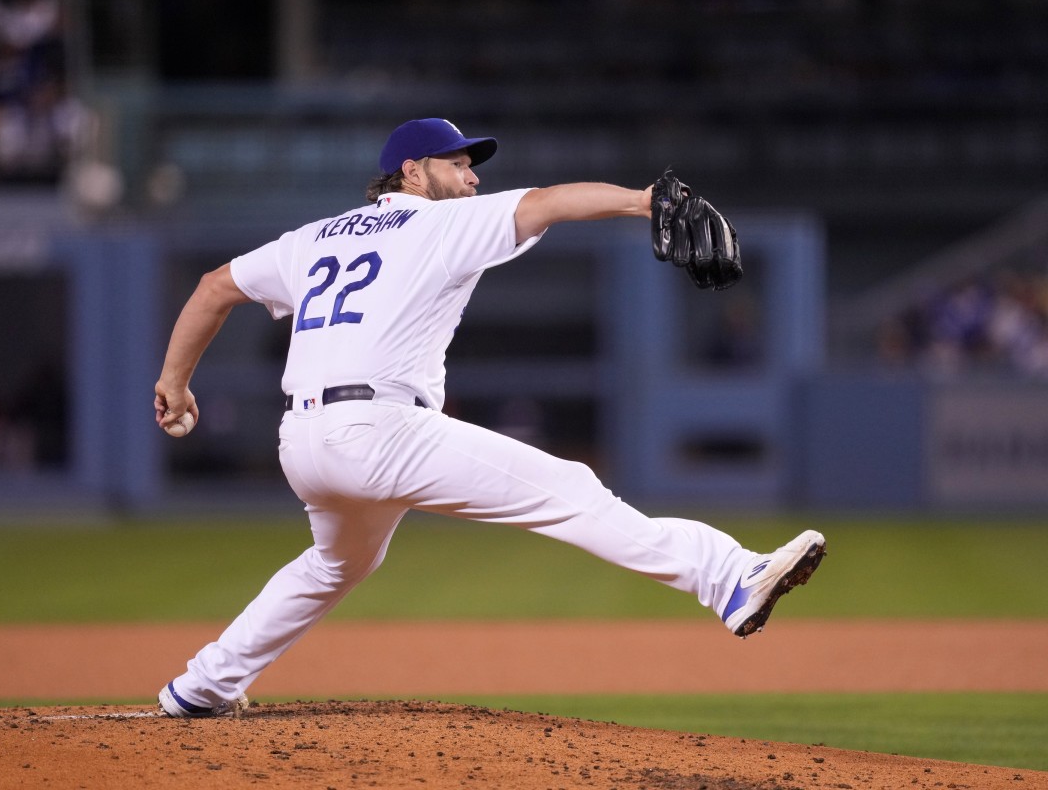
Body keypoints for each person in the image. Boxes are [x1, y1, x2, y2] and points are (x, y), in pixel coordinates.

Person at [153, 118, 826, 718]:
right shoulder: (437, 221)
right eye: (457, 163)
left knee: (334, 567)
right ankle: (729, 577)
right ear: (412, 173)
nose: (472, 177)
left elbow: (214, 286)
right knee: (570, 490)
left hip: (303, 442)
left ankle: (203, 686)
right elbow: (546, 204)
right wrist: (643, 201)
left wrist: (173, 384)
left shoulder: (312, 238)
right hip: (382, 432)